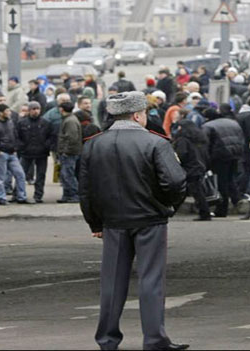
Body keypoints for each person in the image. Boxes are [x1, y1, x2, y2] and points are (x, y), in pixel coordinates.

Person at [79, 91, 188, 351]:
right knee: (151, 280)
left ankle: (107, 340)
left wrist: (95, 223)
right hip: (149, 219)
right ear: (138, 115)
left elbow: (86, 189)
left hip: (113, 221)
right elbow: (175, 181)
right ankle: (154, 339)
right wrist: (167, 206)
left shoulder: (93, 144)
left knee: (112, 283)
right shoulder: (155, 143)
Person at [0, 104, 33, 205]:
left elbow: (15, 136)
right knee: (0, 177)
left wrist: (16, 148)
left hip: (12, 153)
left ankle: (21, 197)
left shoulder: (10, 122)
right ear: (0, 113)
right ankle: (1, 198)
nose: (10, 113)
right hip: (0, 154)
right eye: (7, 111)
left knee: (20, 174)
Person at [202, 108, 244, 217]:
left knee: (221, 182)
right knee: (230, 178)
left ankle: (222, 209)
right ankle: (237, 200)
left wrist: (206, 159)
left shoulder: (208, 126)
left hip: (220, 156)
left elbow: (205, 144)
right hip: (235, 154)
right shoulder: (233, 123)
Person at [173, 119, 211, 221]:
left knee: (195, 192)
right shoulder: (199, 138)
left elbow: (182, 154)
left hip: (188, 168)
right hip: (198, 167)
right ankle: (204, 212)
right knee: (195, 191)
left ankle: (205, 213)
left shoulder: (182, 140)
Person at [16, 102, 52, 203]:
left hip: (42, 153)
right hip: (26, 152)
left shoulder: (45, 122)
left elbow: (51, 136)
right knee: (21, 174)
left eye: (37, 109)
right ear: (29, 110)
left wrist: (46, 146)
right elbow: (17, 136)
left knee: (41, 175)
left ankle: (38, 196)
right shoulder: (22, 123)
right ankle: (18, 194)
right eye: (33, 109)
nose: (35, 111)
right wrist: (22, 147)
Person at [56, 102, 82, 203]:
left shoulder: (70, 121)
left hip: (70, 153)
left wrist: (66, 151)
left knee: (68, 175)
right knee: (65, 175)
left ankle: (74, 195)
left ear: (62, 109)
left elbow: (72, 138)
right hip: (68, 152)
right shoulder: (69, 119)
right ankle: (66, 195)